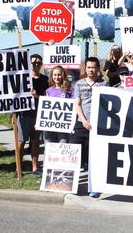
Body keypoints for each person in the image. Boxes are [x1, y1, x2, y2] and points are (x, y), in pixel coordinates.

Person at [71, 57, 106, 198]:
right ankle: (71, 184)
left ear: (98, 69)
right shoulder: (79, 84)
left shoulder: (104, 83)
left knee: (94, 158)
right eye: (89, 67)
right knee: (74, 155)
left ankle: (95, 187)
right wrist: (84, 120)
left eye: (94, 67)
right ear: (85, 68)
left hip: (98, 126)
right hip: (81, 124)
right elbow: (77, 104)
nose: (91, 70)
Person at [16, 53, 49, 176]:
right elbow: (13, 96)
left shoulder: (45, 79)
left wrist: (37, 96)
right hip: (24, 114)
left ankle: (35, 167)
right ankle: (18, 168)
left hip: (38, 114)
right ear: (29, 64)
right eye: (33, 62)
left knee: (36, 141)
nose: (36, 65)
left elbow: (48, 97)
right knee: (21, 141)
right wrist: (12, 112)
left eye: (38, 63)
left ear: (41, 65)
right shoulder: (22, 78)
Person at [44, 66, 73, 143]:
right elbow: (44, 109)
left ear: (63, 75)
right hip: (50, 125)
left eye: (59, 75)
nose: (57, 77)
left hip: (64, 126)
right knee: (49, 147)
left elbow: (73, 106)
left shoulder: (69, 90)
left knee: (63, 145)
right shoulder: (48, 91)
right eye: (55, 75)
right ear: (52, 76)